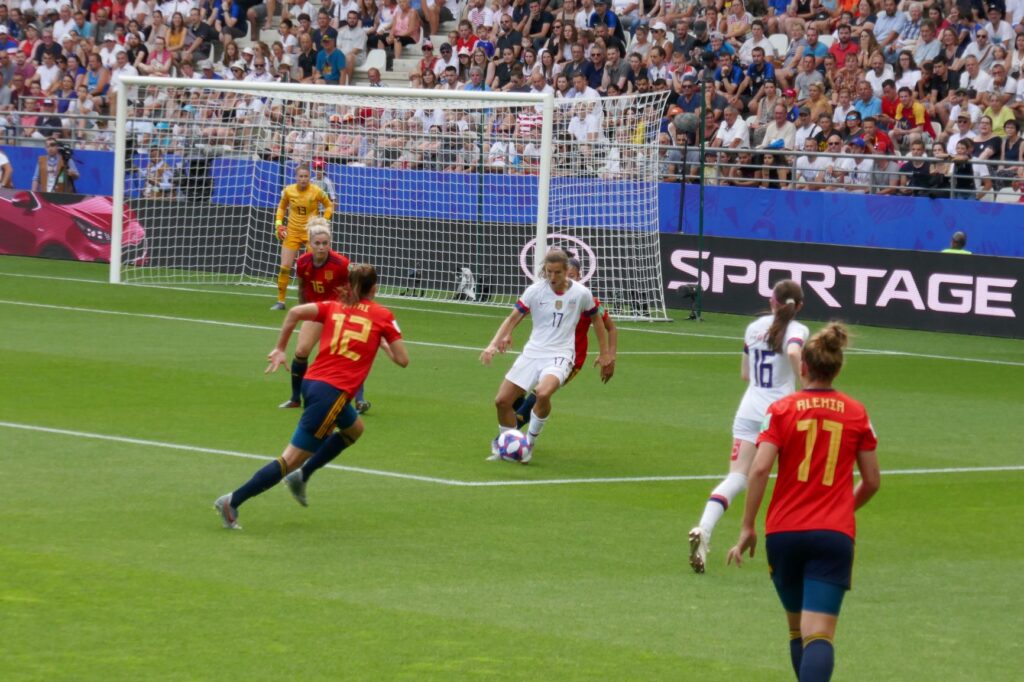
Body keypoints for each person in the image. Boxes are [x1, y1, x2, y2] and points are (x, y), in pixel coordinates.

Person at [726, 322, 880, 682]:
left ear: (803, 368)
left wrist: (748, 526)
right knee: (820, 635)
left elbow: (760, 469)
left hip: (784, 533)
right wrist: (843, 508)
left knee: (797, 631)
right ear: (838, 367)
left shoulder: (782, 410)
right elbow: (872, 481)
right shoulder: (856, 412)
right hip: (834, 535)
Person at [215, 263, 409, 528]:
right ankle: (233, 501)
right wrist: (384, 344)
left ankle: (303, 475)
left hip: (312, 382)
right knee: (290, 460)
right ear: (375, 288)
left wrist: (281, 348)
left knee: (355, 429)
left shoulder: (333, 306)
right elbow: (403, 360)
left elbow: (294, 311)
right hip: (332, 394)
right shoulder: (383, 315)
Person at [688, 279, 808, 574]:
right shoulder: (798, 329)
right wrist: (806, 386)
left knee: (738, 477)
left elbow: (745, 373)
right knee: (792, 478)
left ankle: (704, 529)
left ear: (772, 302)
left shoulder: (753, 328)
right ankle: (794, 545)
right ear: (799, 306)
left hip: (749, 409)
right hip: (781, 412)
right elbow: (793, 352)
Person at [479, 248, 613, 462]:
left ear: (566, 270)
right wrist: (492, 345)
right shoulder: (535, 291)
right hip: (532, 353)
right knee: (502, 401)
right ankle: (508, 445)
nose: (552, 277)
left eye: (557, 273)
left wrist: (605, 353)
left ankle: (529, 444)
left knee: (542, 393)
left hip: (561, 354)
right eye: (548, 272)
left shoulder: (581, 293)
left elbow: (598, 321)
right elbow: (512, 318)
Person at [512, 256, 618, 428]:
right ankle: (535, 417)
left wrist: (609, 356)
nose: (568, 279)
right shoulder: (546, 295)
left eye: (573, 275)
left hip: (571, 360)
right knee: (513, 398)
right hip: (542, 354)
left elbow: (611, 328)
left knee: (537, 396)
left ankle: (507, 440)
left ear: (579, 276)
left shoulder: (587, 300)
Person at [278, 217, 351, 408]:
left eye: (325, 243)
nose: (321, 247)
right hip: (316, 312)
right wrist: (304, 311)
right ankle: (295, 398)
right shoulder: (302, 262)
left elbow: (350, 291)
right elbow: (302, 288)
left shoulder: (341, 264)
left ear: (330, 243)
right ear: (309, 244)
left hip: (338, 313)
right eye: (317, 243)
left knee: (343, 355)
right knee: (301, 351)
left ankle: (358, 401)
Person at [272, 164, 334, 310]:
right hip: (292, 232)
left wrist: (324, 220)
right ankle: (280, 301)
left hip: (310, 234)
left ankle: (314, 300)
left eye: (306, 176)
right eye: (301, 176)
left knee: (314, 268)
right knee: (285, 267)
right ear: (296, 177)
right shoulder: (288, 191)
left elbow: (329, 205)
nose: (303, 179)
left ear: (309, 177)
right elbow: (281, 207)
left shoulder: (317, 191)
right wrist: (279, 224)